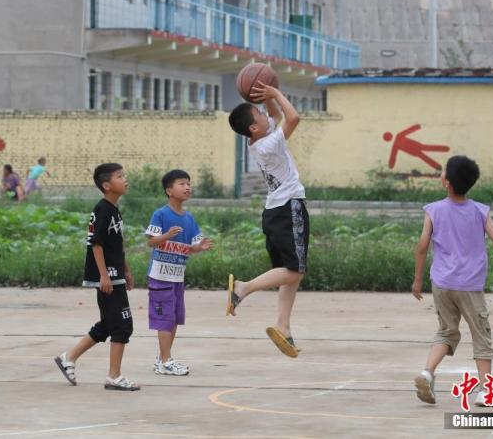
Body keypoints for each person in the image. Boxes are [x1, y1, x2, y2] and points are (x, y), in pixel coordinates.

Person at [411, 155, 493, 406]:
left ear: (447, 183)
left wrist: (417, 280)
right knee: (481, 336)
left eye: (442, 171)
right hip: (470, 286)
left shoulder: (433, 210)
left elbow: (421, 246)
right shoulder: (480, 211)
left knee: (446, 332)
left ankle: (427, 372)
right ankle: (485, 391)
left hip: (442, 283)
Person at [226, 82, 309, 358]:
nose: (265, 114)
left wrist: (269, 93)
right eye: (259, 113)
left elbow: (276, 116)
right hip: (288, 208)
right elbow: (293, 117)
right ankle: (243, 287)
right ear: (253, 127)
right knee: (295, 270)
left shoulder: (260, 140)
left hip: (276, 210)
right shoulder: (269, 144)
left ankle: (283, 326)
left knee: (289, 273)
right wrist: (275, 94)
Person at [54, 163, 139, 391]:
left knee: (109, 324)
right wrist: (104, 275)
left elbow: (116, 245)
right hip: (107, 277)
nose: (125, 179)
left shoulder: (114, 209)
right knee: (122, 326)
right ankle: (114, 376)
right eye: (120, 176)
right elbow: (96, 244)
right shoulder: (102, 209)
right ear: (107, 185)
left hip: (115, 274)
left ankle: (68, 357)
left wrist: (126, 270)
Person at [145, 169, 213, 375]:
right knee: (165, 318)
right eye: (182, 184)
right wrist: (166, 235)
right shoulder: (161, 214)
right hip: (160, 276)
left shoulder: (189, 218)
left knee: (174, 318)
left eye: (188, 183)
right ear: (169, 190)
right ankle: (166, 361)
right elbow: (151, 242)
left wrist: (198, 248)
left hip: (177, 276)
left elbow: (192, 246)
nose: (187, 187)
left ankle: (162, 359)